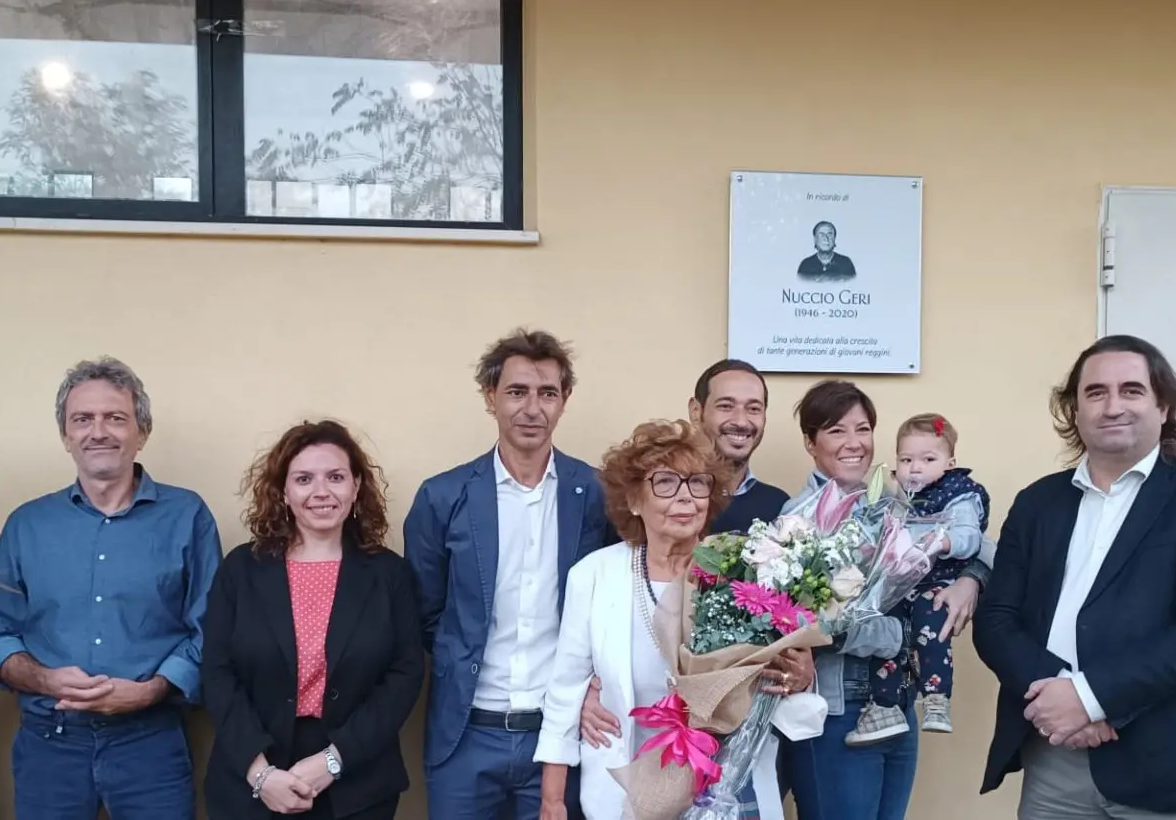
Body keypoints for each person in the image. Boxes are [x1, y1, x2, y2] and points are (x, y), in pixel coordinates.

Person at [973, 335, 1176, 819]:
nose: (1112, 407)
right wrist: (1060, 698)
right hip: (1055, 759)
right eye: (1096, 392)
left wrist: (1089, 699)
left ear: (1163, 406)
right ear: (1076, 410)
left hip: (1168, 762)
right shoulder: (1038, 502)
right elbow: (996, 620)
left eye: (1131, 390)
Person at [0, 356, 222, 820]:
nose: (99, 432)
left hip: (150, 742)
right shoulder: (28, 524)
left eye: (115, 418)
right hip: (50, 744)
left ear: (142, 432)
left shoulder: (187, 516)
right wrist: (44, 679)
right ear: (65, 436)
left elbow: (210, 627)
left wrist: (152, 690)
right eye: (82, 419)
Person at [537, 420, 816, 820]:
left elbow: (779, 682)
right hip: (625, 787)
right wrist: (552, 799)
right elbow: (565, 690)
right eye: (665, 482)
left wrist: (799, 677)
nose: (685, 496)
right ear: (634, 500)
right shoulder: (594, 575)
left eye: (697, 483)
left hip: (728, 788)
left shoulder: (746, 571)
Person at [404, 329, 615, 820]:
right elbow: (425, 613)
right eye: (517, 392)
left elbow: (612, 604)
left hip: (561, 736)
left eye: (547, 393)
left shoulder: (596, 494)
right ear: (490, 397)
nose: (532, 409)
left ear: (565, 400)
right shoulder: (443, 496)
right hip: (466, 735)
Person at [777, 381, 990, 820]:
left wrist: (971, 581)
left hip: (897, 701)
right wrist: (907, 633)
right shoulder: (799, 519)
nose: (854, 442)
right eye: (836, 430)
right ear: (810, 443)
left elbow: (983, 545)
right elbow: (815, 622)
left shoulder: (898, 497)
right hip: (837, 708)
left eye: (863, 429)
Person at [202, 420, 424, 820]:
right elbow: (216, 673)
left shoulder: (389, 574)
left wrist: (334, 760)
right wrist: (260, 774)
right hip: (251, 782)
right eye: (304, 479)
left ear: (356, 486)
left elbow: (405, 674)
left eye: (335, 477)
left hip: (358, 784)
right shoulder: (241, 569)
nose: (321, 492)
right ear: (283, 491)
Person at [848, 413, 992, 744]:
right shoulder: (890, 492)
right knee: (888, 638)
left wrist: (944, 542)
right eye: (906, 459)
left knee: (931, 630)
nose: (915, 468)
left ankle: (936, 697)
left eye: (928, 460)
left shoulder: (957, 493)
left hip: (936, 581)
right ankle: (884, 707)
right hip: (897, 585)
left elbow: (971, 536)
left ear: (950, 463)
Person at [687, 359, 792, 534]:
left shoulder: (778, 507)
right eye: (726, 406)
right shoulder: (667, 499)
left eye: (754, 409)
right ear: (696, 411)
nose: (741, 422)